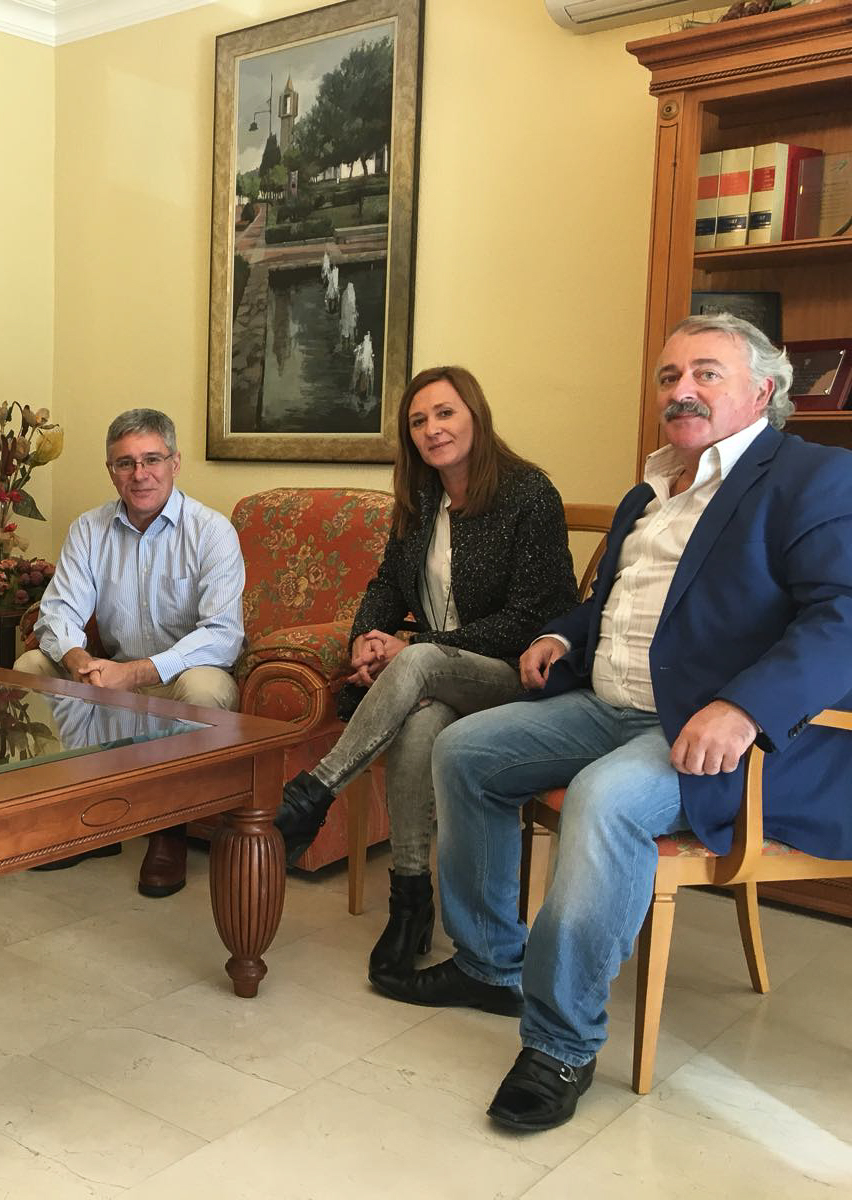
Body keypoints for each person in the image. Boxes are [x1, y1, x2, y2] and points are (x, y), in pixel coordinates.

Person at [374, 313, 852, 1133]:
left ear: (761, 392)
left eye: (706, 373)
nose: (682, 391)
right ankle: (490, 965)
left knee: (603, 800)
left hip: (706, 729)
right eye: (670, 377)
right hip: (604, 703)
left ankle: (560, 1041)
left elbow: (842, 612)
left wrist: (743, 707)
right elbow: (612, 602)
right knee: (463, 751)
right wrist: (564, 633)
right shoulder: (651, 486)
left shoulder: (812, 478)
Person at [274, 366, 578, 981]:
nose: (433, 429)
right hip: (440, 677)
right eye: (419, 420)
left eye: (445, 413)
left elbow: (533, 618)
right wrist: (365, 636)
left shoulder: (527, 492)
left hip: (514, 676)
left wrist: (415, 645)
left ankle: (313, 795)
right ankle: (410, 903)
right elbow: (388, 582)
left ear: (475, 415)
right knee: (419, 722)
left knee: (415, 659)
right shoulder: (421, 500)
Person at [15, 408, 245, 898]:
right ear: (110, 470)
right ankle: (87, 821)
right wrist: (78, 659)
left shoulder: (212, 531)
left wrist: (137, 672)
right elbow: (57, 613)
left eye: (151, 459)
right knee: (32, 666)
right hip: (110, 668)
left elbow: (223, 633)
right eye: (125, 463)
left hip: (185, 670)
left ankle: (169, 831)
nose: (139, 475)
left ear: (175, 462)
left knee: (201, 687)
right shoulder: (89, 529)